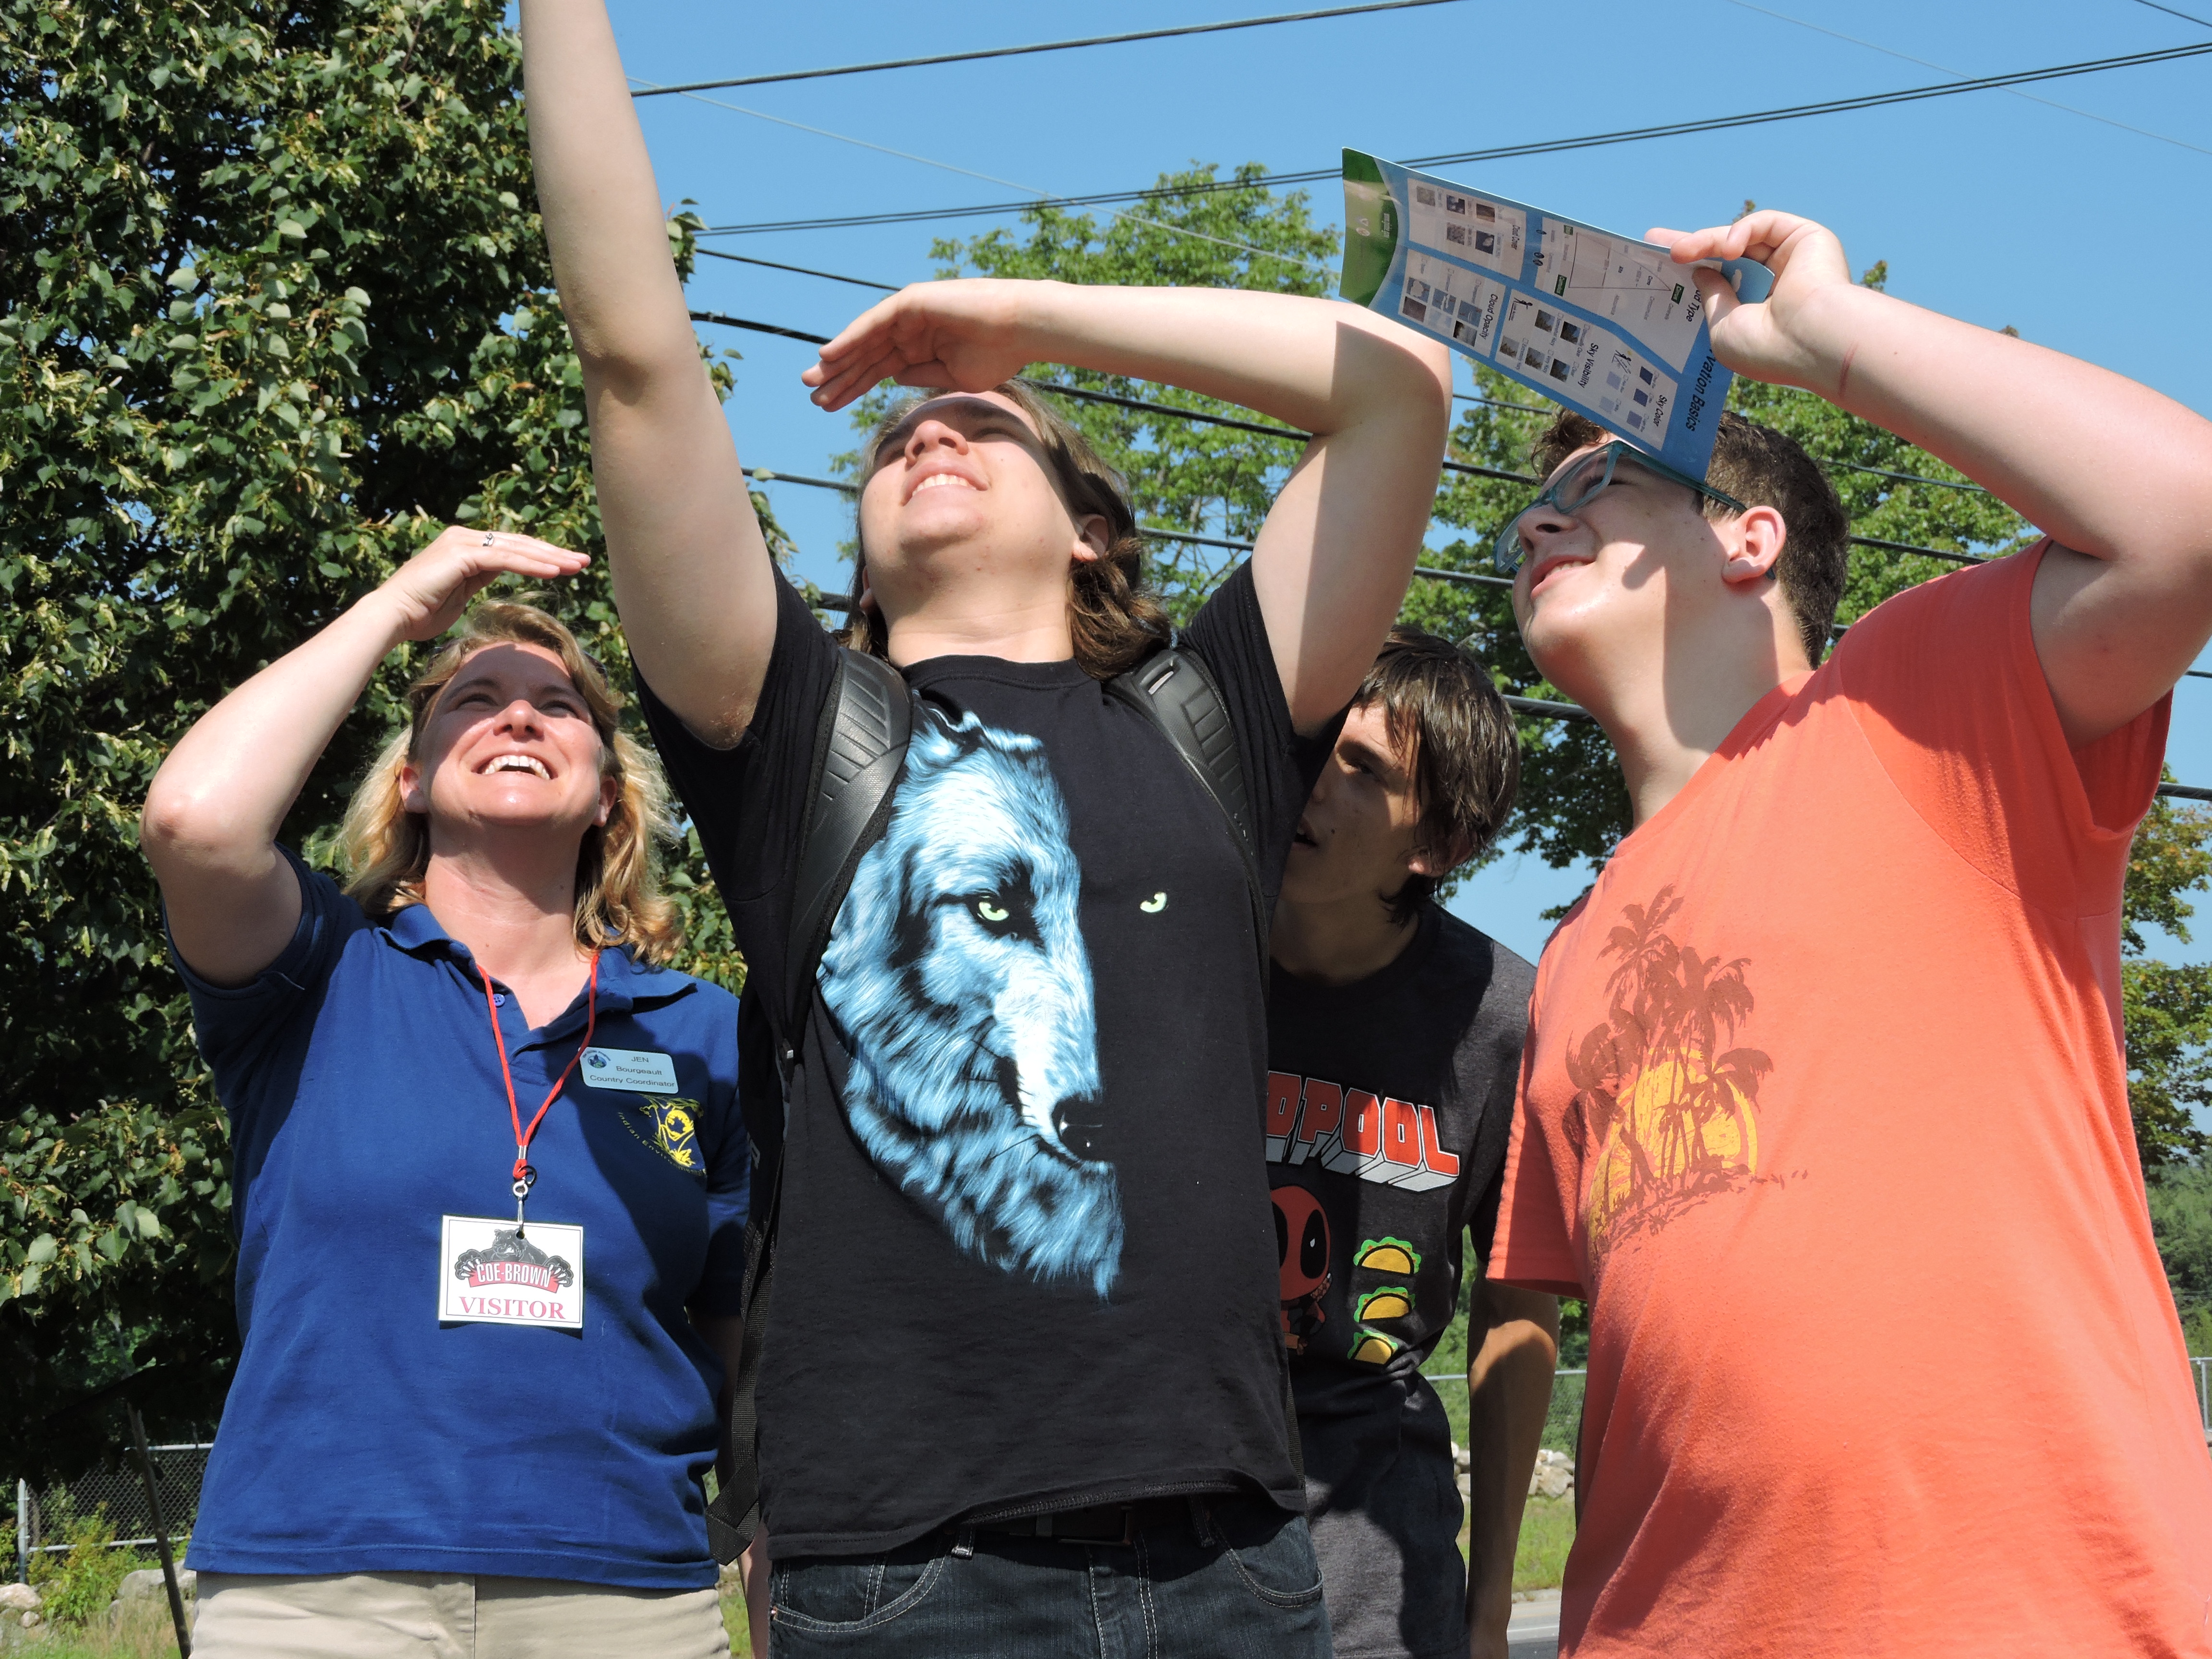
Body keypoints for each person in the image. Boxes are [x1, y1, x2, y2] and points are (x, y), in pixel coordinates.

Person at [519, 5, 1453, 1652]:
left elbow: (1395, 391)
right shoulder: (802, 737)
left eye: (980, 420)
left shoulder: (1209, 724)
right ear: (860, 557)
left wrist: (1013, 316)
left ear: (1096, 536)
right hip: (904, 1576)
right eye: (890, 440)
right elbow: (632, 347)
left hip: (1231, 1557)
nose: (928, 427)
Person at [1486, 209, 2212, 1654]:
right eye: (1532, 508)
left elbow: (2184, 515)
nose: (1536, 521)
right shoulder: (1570, 957)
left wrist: (1827, 344)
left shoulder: (1909, 705)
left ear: (1748, 540)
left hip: (2017, 1615)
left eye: (1601, 482)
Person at [139, 528, 750, 1659]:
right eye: (475, 699)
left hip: (621, 1597)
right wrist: (395, 606)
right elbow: (194, 821)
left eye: (560, 707)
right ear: (412, 780)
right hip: (314, 1591)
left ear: (611, 797)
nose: (520, 716)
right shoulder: (312, 969)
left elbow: (742, 1339)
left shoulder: (705, 1033)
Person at [1265, 627, 1558, 1659]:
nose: (1313, 778)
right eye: (1312, 742)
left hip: (1375, 1544)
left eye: (1362, 769)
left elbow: (1517, 1304)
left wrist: (1487, 1609)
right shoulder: (1168, 945)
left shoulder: (1504, 1017)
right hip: (1153, 1507)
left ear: (1434, 844)